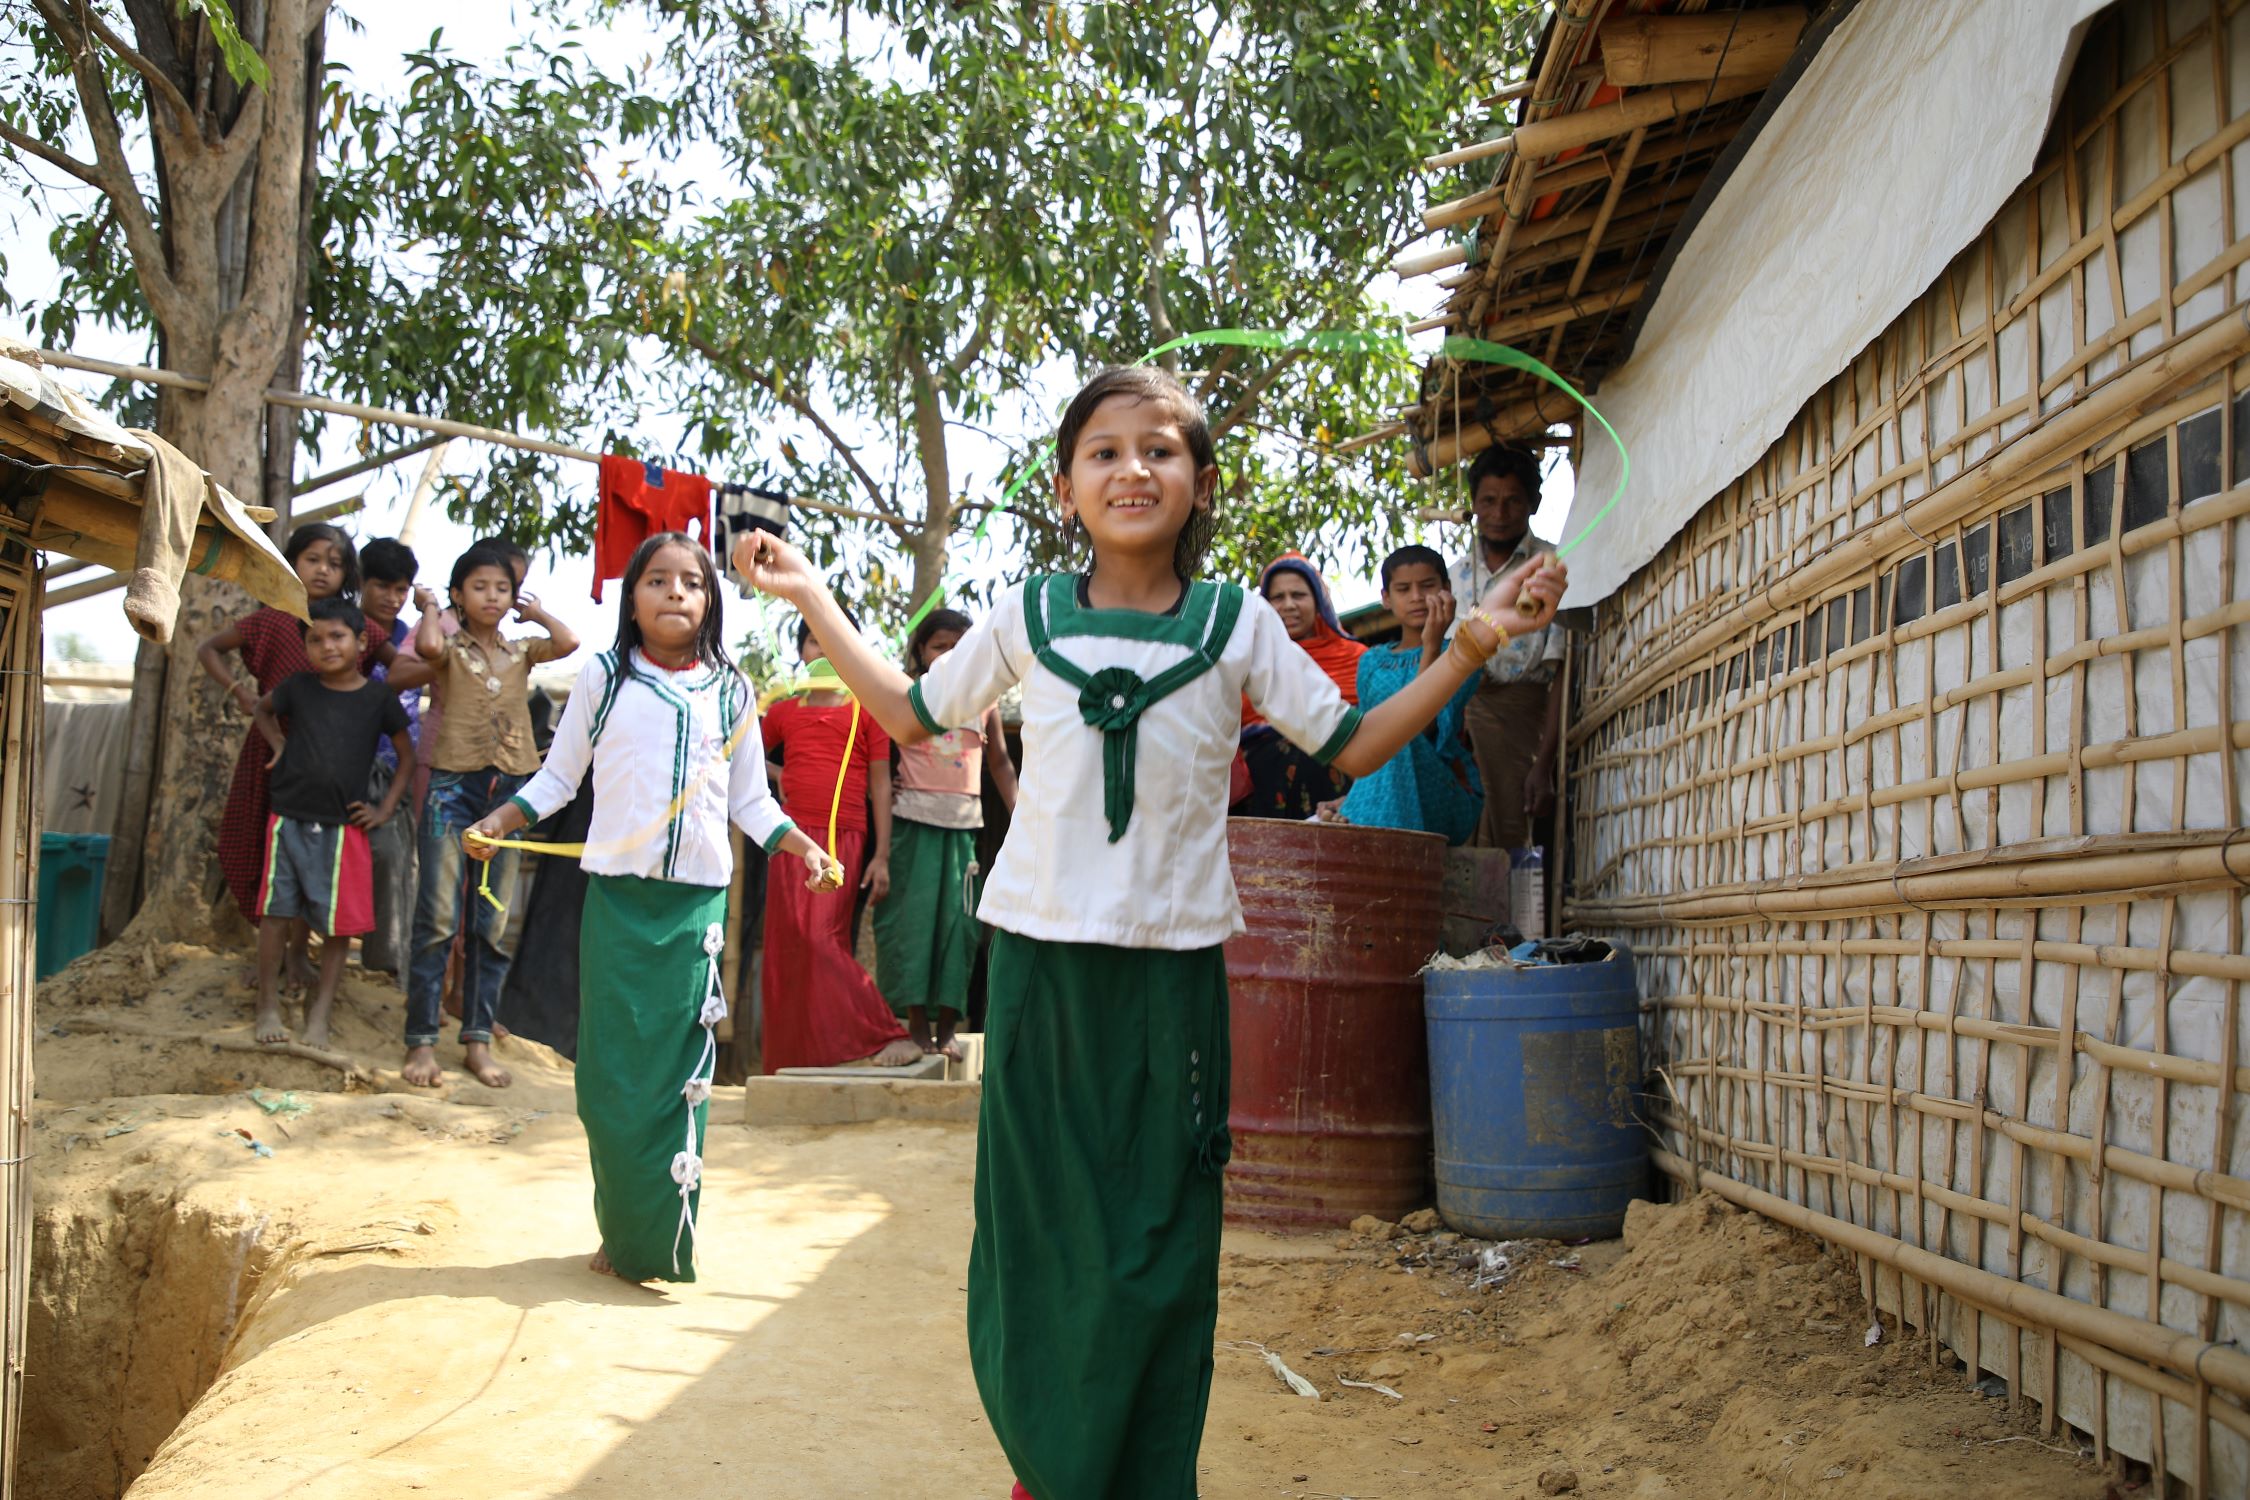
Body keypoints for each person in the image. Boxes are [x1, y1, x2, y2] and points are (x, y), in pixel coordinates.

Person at [732, 363, 1565, 1500]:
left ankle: (1134, 1475)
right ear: (1066, 486)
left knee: (1165, 1236)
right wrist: (813, 598)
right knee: (1040, 1225)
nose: (1134, 470)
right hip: (1037, 968)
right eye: (1105, 451)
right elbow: (908, 711)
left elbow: (1357, 747)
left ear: (1203, 481)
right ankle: (1051, 1469)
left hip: (1173, 982)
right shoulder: (1028, 613)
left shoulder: (1237, 625)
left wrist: (1470, 648)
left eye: (1161, 449)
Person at [465, 533, 840, 1283]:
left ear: (710, 601)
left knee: (680, 1081)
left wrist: (804, 848)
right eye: (658, 581)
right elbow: (556, 782)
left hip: (694, 911)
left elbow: (752, 802)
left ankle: (653, 1244)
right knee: (611, 1082)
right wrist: (498, 826)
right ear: (631, 600)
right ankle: (623, 1225)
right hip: (617, 906)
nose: (676, 593)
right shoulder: (604, 678)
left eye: (692, 583)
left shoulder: (731, 689)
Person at [200, 522, 428, 988]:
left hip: (329, 762)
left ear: (348, 574)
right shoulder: (268, 619)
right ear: (292, 561)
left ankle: (300, 956)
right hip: (271, 752)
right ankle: (267, 954)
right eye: (313, 559)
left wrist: (429, 661)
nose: (323, 569)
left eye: (335, 562)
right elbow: (210, 649)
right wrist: (241, 692)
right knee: (261, 851)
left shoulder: (350, 627)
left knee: (313, 858)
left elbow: (399, 666)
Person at [404, 543, 579, 1090]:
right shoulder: (449, 648)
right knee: (436, 919)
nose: (492, 596)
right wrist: (430, 606)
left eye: (501, 589)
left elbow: (569, 642)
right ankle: (421, 1044)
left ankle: (477, 1040)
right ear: (459, 593)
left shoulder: (522, 649)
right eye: (479, 587)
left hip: (508, 792)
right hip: (451, 787)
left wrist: (537, 613)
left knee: (492, 925)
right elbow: (428, 643)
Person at [246, 597, 416, 1048]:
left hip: (344, 828)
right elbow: (263, 710)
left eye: (337, 636)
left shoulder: (378, 697)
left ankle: (319, 1011)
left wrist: (384, 811)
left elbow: (407, 757)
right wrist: (279, 744)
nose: (327, 646)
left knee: (339, 926)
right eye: (315, 639)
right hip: (287, 819)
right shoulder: (297, 687)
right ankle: (266, 1004)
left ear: (362, 642)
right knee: (276, 915)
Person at [758, 614, 921, 1072]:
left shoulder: (867, 710)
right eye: (814, 641)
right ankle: (792, 1059)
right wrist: (780, 774)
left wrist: (882, 856)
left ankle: (888, 1033)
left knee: (821, 940)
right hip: (787, 838)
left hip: (842, 836)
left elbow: (881, 786)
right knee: (788, 947)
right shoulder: (784, 711)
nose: (823, 651)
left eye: (832, 641)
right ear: (800, 651)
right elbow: (745, 759)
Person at [873, 608, 1018, 1059]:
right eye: (939, 647)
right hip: (912, 826)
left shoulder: (985, 699)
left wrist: (1022, 814)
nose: (948, 655)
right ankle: (917, 1028)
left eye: (958, 647)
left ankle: (949, 1030)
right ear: (920, 651)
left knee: (960, 929)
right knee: (914, 928)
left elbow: (999, 763)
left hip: (963, 830)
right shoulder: (907, 695)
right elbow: (877, 759)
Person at [1450, 444, 1567, 850]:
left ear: (1533, 503)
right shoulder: (1454, 576)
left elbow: (1562, 671)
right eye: (1489, 501)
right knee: (1467, 836)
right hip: (1465, 728)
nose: (1500, 514)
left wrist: (1545, 764)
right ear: (1474, 504)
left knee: (1520, 841)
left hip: (1525, 729)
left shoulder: (1551, 568)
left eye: (1513, 500)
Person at [1333, 545, 1484, 844]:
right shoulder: (1372, 661)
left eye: (1427, 586)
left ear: (1447, 590)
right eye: (1403, 589)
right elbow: (1362, 739)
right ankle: (1354, 813)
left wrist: (1431, 645)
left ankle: (1354, 824)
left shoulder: (1463, 654)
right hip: (1377, 789)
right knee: (1378, 736)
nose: (1417, 597)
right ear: (1386, 598)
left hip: (1443, 789)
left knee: (1394, 736)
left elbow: (1424, 727)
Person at [1235, 553, 1365, 820]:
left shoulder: (1358, 658)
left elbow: (1368, 731)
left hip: (1342, 794)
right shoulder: (1246, 664)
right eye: (1278, 597)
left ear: (1318, 601)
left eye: (1299, 595)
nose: (1289, 605)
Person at [357, 537, 422, 977]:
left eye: (401, 590)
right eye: (382, 586)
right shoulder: (341, 630)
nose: (392, 598)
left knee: (397, 860)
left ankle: (385, 968)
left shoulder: (413, 638)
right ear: (360, 582)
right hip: (345, 762)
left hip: (398, 768)